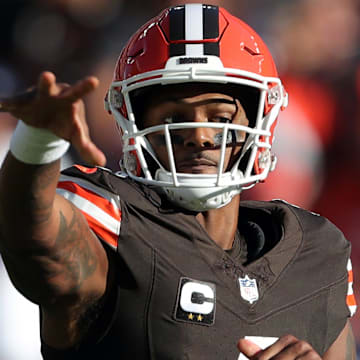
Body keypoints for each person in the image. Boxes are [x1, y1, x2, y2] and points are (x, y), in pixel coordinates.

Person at [0, 4, 357, 359]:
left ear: (259, 123)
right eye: (174, 117)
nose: (199, 135)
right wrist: (37, 141)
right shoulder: (113, 223)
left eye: (219, 117)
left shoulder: (317, 253)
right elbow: (29, 236)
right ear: (133, 124)